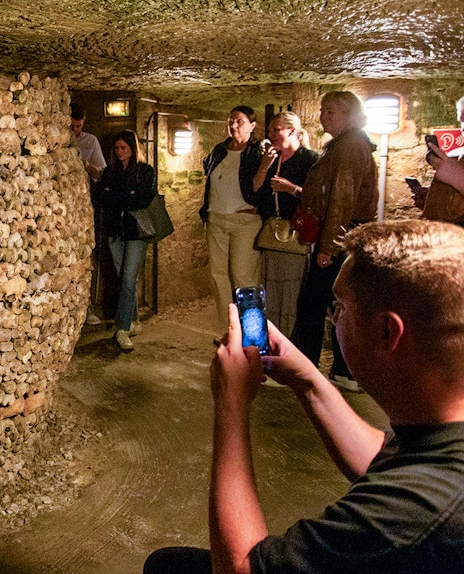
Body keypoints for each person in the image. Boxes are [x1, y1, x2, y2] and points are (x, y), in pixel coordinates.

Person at [144, 219, 464, 574]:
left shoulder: (411, 516)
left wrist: (230, 401)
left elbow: (241, 567)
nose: (332, 318)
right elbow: (385, 458)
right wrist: (308, 381)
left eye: (340, 308)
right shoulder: (444, 437)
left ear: (386, 331)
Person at [291, 91, 378, 391]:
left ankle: (302, 369)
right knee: (339, 305)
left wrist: (328, 247)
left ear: (349, 115)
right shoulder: (345, 144)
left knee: (314, 304)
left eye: (330, 112)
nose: (322, 117)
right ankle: (344, 371)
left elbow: (341, 199)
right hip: (345, 236)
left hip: (342, 238)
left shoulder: (350, 145)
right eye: (322, 111)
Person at [253, 111, 318, 337]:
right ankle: (270, 337)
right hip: (272, 233)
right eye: (270, 131)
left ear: (292, 131)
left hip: (295, 235)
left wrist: (291, 188)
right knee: (269, 289)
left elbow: (318, 198)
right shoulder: (272, 159)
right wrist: (264, 165)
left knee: (290, 291)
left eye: (276, 130)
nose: (271, 135)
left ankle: (288, 340)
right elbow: (255, 191)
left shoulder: (310, 159)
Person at [200, 106, 263, 330]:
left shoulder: (256, 152)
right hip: (216, 219)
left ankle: (252, 334)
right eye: (231, 121)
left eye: (240, 121)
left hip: (244, 222)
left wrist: (259, 207)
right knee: (219, 275)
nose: (234, 125)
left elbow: (264, 186)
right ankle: (228, 329)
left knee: (243, 276)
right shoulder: (219, 150)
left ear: (252, 126)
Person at [94, 130, 155, 351]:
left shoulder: (145, 171)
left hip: (136, 231)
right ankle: (134, 320)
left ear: (132, 147)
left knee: (128, 279)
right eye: (117, 149)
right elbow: (100, 196)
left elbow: (143, 198)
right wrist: (125, 195)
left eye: (124, 148)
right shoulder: (110, 172)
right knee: (124, 278)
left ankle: (121, 329)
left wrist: (118, 196)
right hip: (115, 231)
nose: (120, 153)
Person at [70, 102, 107, 325]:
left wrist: (85, 166)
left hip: (84, 206)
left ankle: (87, 306)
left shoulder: (90, 141)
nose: (75, 131)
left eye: (79, 126)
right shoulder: (58, 138)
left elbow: (100, 173)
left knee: (86, 255)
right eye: (72, 126)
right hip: (61, 208)